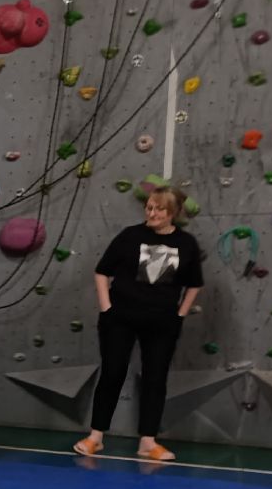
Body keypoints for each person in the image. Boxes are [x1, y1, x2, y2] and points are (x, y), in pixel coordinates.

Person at [74, 186, 203, 461]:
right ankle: (96, 437)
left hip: (162, 323)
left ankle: (148, 441)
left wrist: (180, 314)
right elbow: (102, 272)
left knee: (155, 378)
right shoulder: (130, 236)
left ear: (173, 212)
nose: (152, 213)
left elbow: (194, 284)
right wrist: (107, 307)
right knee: (112, 373)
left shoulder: (187, 243)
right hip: (120, 318)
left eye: (159, 209)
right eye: (149, 207)